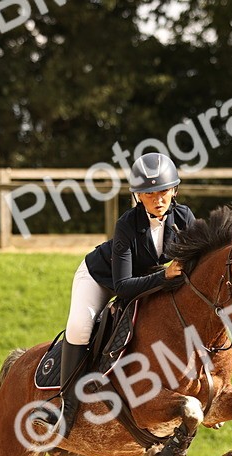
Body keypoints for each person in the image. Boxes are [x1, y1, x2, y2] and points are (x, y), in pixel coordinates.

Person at [57, 152, 196, 436]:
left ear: (174, 190)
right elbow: (122, 286)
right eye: (149, 194)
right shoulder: (127, 224)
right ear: (138, 197)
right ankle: (66, 408)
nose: (158, 199)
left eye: (163, 191)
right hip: (101, 277)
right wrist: (165, 275)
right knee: (80, 328)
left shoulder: (185, 218)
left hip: (149, 280)